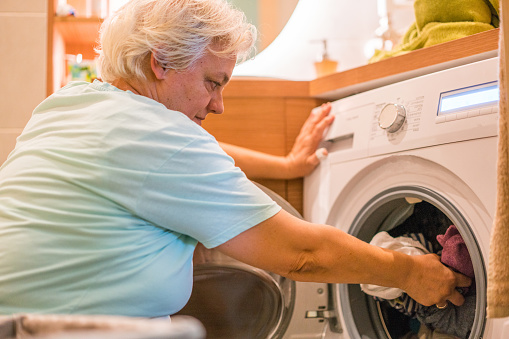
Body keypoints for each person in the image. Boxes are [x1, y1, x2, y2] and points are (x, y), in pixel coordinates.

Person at [0, 0, 470, 318]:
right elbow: (301, 256)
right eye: (214, 82)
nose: (219, 104)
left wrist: (286, 167)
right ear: (160, 63)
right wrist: (410, 271)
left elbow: (181, 159)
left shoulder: (72, 106)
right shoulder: (162, 140)